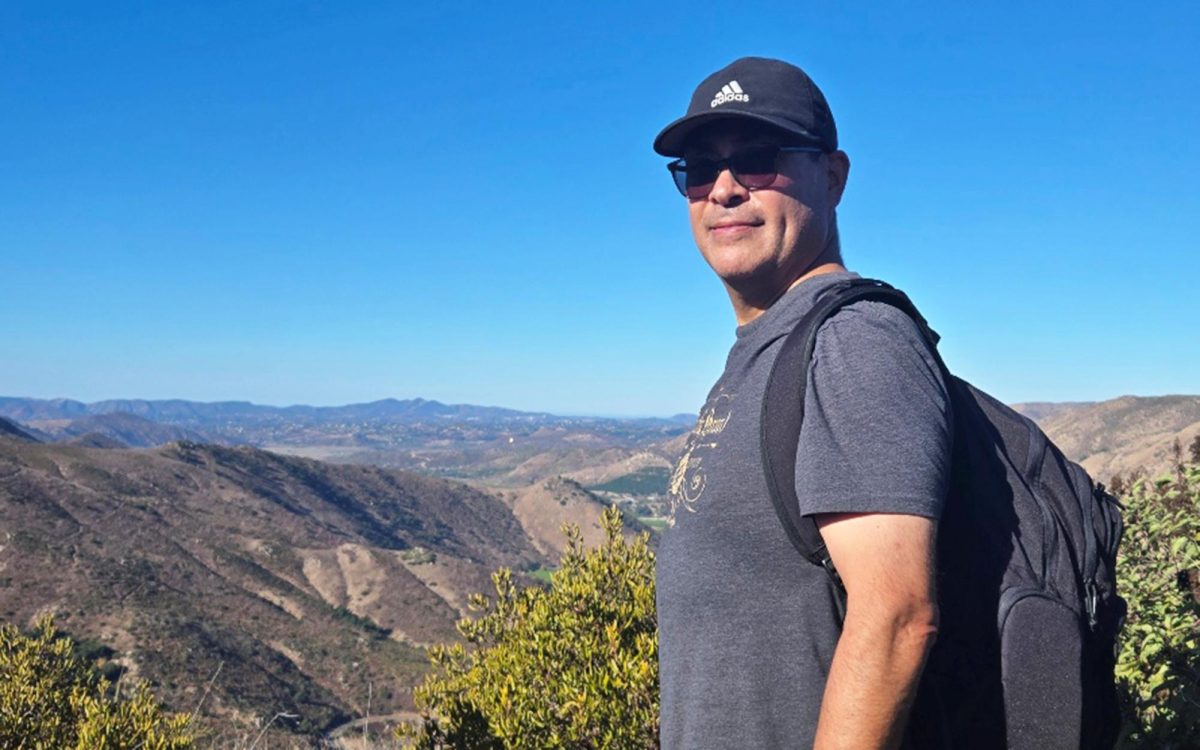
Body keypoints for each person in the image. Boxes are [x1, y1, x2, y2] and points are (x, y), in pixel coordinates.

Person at [653, 57, 954, 749]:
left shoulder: (854, 339)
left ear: (834, 177)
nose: (723, 189)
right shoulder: (766, 350)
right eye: (698, 168)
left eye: (758, 158)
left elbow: (897, 616)